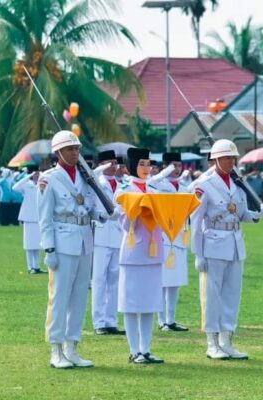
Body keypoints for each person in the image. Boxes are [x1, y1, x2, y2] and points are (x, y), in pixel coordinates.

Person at [191, 139, 263, 360]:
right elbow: (196, 222)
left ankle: (226, 340)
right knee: (211, 295)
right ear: (215, 159)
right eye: (226, 157)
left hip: (235, 243)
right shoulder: (203, 184)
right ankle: (211, 342)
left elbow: (240, 213)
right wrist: (198, 253)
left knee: (232, 294)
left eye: (233, 158)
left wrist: (256, 214)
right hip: (213, 243)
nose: (230, 161)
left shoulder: (237, 183)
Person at [39, 130, 104, 369]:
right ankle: (56, 349)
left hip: (85, 239)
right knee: (59, 297)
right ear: (58, 152)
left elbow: (88, 206)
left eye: (77, 149)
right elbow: (44, 217)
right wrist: (49, 249)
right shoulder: (49, 178)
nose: (75, 153)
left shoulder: (85, 176)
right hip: (63, 240)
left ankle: (72, 346)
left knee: (79, 296)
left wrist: (102, 213)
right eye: (70, 149)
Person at [115, 147, 167, 364]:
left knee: (150, 302)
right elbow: (123, 223)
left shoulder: (156, 190)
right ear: (130, 167)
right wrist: (137, 210)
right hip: (133, 250)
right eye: (141, 164)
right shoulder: (123, 191)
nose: (146, 169)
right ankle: (134, 349)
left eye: (148, 164)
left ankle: (146, 349)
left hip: (153, 250)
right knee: (131, 302)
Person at [148, 152, 190, 332]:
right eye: (173, 165)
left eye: (179, 166)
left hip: (180, 237)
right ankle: (161, 320)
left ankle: (171, 319)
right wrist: (165, 173)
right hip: (163, 237)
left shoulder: (184, 186)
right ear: (165, 166)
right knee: (162, 281)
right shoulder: (158, 184)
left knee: (175, 281)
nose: (177, 169)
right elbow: (149, 184)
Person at [91, 150, 125, 335]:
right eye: (109, 163)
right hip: (101, 235)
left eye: (115, 162)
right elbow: (91, 177)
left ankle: (111, 321)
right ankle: (99, 322)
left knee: (114, 280)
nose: (114, 166)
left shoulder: (120, 184)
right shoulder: (96, 182)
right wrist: (100, 168)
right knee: (99, 280)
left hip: (117, 235)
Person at [12, 165, 46, 274]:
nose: (36, 175)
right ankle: (30, 266)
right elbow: (15, 187)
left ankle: (36, 266)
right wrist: (28, 176)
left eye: (38, 173)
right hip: (28, 217)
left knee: (37, 243)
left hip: (39, 216)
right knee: (29, 244)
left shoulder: (41, 185)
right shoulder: (26, 185)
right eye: (35, 173)